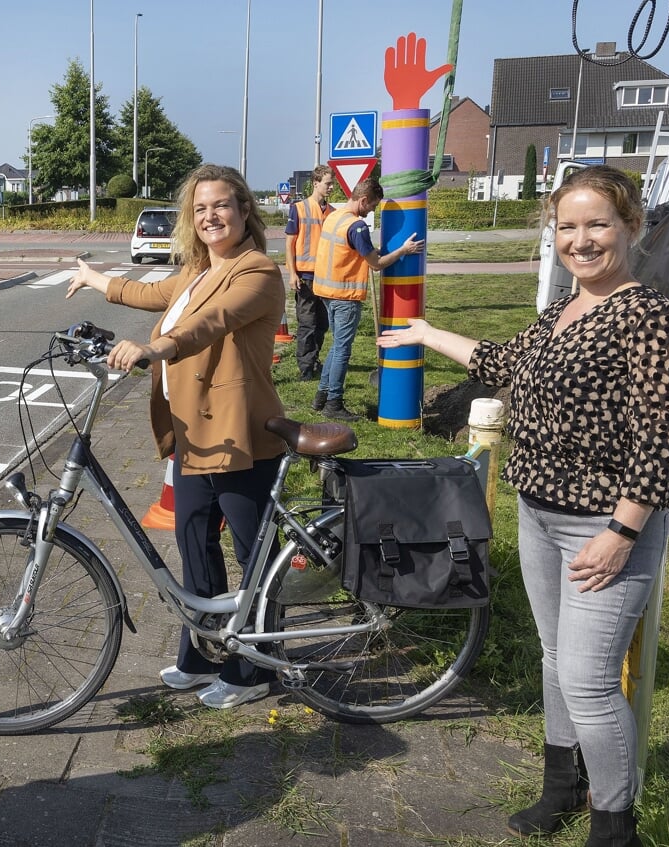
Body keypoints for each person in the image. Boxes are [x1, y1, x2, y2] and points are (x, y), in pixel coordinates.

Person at [377, 165, 669, 847]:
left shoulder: (651, 317)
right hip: (539, 511)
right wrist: (426, 333)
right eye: (567, 226)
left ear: (630, 226)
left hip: (604, 524)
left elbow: (660, 438)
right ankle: (561, 787)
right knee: (555, 660)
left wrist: (621, 530)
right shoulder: (561, 311)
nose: (579, 240)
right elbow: (498, 360)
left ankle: (615, 826)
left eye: (596, 225)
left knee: (587, 682)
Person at [66, 163, 285, 710]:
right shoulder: (194, 271)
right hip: (194, 433)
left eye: (222, 205)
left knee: (253, 554)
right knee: (193, 543)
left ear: (243, 212)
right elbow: (154, 293)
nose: (211, 216)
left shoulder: (256, 271)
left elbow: (210, 323)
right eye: (201, 208)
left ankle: (254, 668)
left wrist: (154, 350)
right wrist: (97, 281)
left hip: (239, 434)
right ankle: (201, 653)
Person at [310, 176, 425, 421]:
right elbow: (376, 264)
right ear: (363, 200)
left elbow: (355, 251)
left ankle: (321, 396)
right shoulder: (357, 227)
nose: (372, 210)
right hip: (345, 296)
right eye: (372, 205)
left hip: (326, 293)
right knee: (342, 349)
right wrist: (403, 250)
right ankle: (334, 403)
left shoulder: (334, 216)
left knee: (336, 346)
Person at [284, 165, 335, 384]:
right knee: (307, 324)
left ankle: (313, 360)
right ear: (315, 183)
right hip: (304, 276)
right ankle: (306, 368)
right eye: (328, 183)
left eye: (332, 183)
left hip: (326, 277)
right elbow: (290, 243)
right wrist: (292, 273)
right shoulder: (300, 208)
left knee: (322, 324)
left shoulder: (333, 212)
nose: (331, 187)